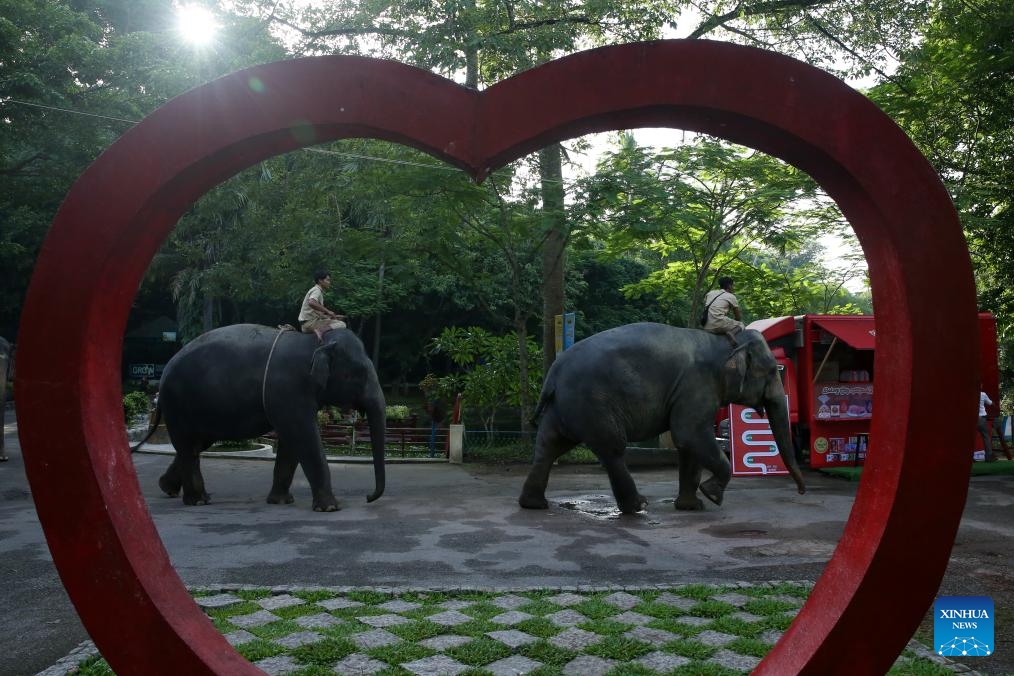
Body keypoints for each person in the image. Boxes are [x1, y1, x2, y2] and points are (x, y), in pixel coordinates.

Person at [299, 271, 346, 342]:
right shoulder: (316, 290)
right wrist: (328, 311)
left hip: (308, 323)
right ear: (320, 280)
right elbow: (311, 302)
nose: (329, 282)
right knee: (342, 324)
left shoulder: (317, 290)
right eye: (327, 280)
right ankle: (320, 331)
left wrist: (333, 317)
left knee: (337, 321)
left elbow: (317, 313)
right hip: (310, 324)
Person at [702, 276, 745, 342]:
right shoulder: (731, 296)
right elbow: (738, 317)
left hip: (706, 326)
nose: (733, 288)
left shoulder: (710, 293)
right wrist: (733, 323)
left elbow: (706, 306)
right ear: (729, 286)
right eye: (733, 285)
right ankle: (731, 333)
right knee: (741, 324)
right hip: (719, 324)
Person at [978, 387, 995, 462]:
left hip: (971, 419)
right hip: (981, 418)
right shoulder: (983, 394)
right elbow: (990, 403)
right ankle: (989, 456)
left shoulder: (967, 394)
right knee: (986, 437)